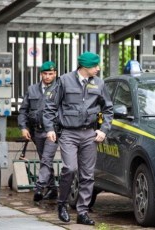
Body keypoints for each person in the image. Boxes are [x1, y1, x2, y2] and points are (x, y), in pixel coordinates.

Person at [43, 52, 113, 226]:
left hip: (90, 134)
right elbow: (50, 107)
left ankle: (82, 212)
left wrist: (103, 130)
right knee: (70, 168)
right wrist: (50, 128)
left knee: (88, 175)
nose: (98, 69)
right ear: (85, 67)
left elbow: (109, 109)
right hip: (68, 133)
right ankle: (62, 204)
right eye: (95, 66)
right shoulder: (65, 81)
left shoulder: (99, 83)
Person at [18, 61, 59, 202]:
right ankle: (53, 189)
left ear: (55, 74)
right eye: (45, 74)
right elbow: (23, 110)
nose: (48, 76)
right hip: (37, 131)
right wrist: (23, 127)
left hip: (53, 132)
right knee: (44, 160)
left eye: (51, 74)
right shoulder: (32, 89)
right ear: (41, 74)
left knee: (46, 159)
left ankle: (39, 187)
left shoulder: (59, 89)